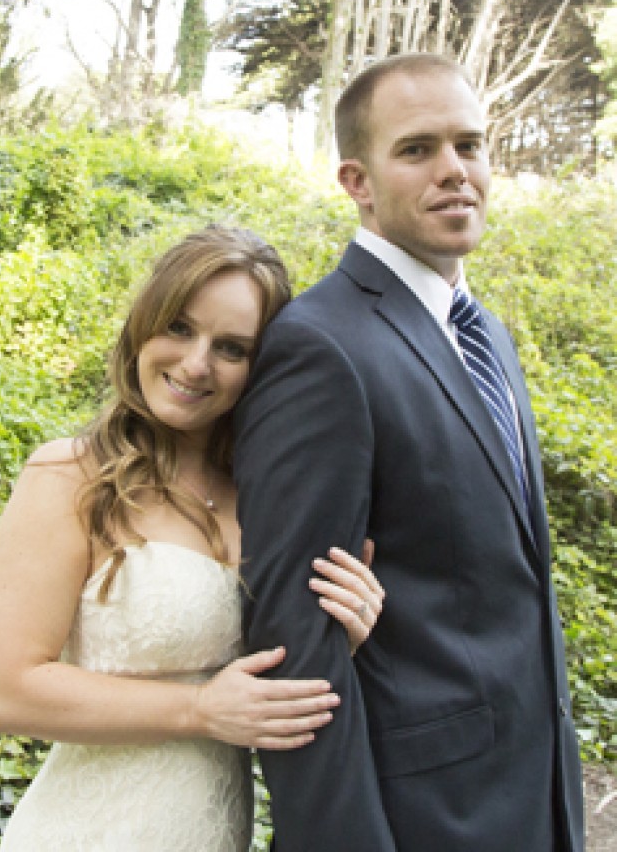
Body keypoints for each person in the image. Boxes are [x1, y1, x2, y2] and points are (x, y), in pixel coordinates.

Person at [234, 53, 585, 852]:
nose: (455, 171)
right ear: (356, 180)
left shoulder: (486, 333)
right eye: (418, 149)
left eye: (471, 145)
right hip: (418, 818)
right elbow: (296, 636)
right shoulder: (321, 345)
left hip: (531, 798)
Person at [0, 225, 386, 852]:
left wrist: (342, 631)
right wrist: (198, 711)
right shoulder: (70, 477)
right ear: (145, 325)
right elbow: (6, 692)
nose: (196, 364)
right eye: (179, 328)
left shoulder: (268, 501)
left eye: (231, 347)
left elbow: (270, 676)